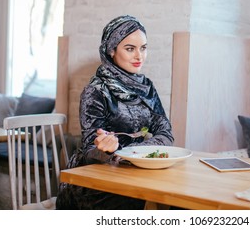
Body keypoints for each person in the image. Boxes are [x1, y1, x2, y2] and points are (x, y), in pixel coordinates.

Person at [56, 15, 174, 209]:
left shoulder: (147, 87)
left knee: (177, 201)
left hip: (137, 173)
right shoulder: (95, 91)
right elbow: (89, 153)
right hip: (98, 185)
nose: (139, 56)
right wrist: (104, 149)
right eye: (130, 49)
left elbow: (166, 133)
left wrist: (133, 154)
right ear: (111, 50)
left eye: (143, 48)